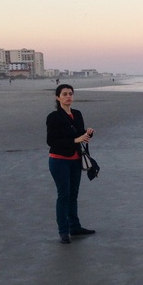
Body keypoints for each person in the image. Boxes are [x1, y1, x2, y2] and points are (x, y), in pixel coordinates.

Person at [46, 83, 96, 244]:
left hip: (75, 160)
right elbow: (51, 141)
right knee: (64, 195)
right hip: (59, 160)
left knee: (73, 194)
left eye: (70, 94)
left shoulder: (77, 114)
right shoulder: (53, 117)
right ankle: (63, 231)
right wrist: (75, 140)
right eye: (65, 94)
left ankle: (75, 226)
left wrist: (87, 133)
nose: (68, 97)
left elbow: (79, 134)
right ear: (58, 97)